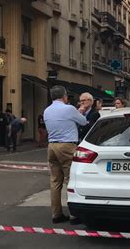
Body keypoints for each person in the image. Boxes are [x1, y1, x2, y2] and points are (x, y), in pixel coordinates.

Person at [44, 85, 88, 224]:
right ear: (64, 96)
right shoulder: (69, 109)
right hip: (67, 145)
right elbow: (83, 122)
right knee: (71, 179)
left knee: (55, 181)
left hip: (52, 146)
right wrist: (80, 111)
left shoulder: (47, 111)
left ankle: (56, 214)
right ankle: (74, 215)